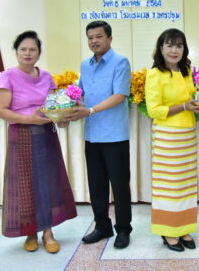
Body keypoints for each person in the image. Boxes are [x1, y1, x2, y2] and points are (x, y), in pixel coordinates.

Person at [0, 30, 77, 254]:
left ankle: (48, 233)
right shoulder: (8, 76)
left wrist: (62, 118)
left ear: (39, 53)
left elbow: (54, 106)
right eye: (23, 49)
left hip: (47, 135)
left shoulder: (46, 77)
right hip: (21, 135)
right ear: (16, 52)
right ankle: (30, 232)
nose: (27, 53)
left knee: (48, 182)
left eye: (32, 49)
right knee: (26, 185)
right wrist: (28, 119)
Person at [60, 20, 133, 249]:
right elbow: (79, 95)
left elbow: (119, 96)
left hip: (115, 136)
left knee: (119, 186)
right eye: (90, 37)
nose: (94, 41)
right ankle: (102, 226)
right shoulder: (85, 65)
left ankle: (123, 229)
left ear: (109, 38)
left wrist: (90, 111)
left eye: (99, 36)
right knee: (97, 185)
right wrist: (64, 113)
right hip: (92, 135)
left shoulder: (121, 62)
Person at [145, 28, 199, 252]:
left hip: (187, 136)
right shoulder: (155, 74)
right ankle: (168, 230)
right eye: (169, 45)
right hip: (167, 138)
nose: (174, 50)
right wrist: (184, 106)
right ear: (161, 48)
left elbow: (191, 98)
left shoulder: (186, 70)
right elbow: (154, 110)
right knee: (168, 186)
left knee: (186, 185)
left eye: (179, 46)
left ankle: (183, 228)